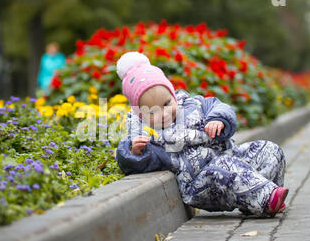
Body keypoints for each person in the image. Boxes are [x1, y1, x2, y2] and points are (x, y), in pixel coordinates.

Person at [115, 51, 288, 217]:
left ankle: (260, 197)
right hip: (202, 182)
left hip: (230, 155)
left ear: (172, 95)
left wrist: (218, 120)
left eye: (166, 104)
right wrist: (134, 152)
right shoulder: (150, 137)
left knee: (269, 150)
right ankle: (266, 198)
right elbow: (136, 162)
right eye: (152, 112)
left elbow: (220, 107)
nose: (164, 114)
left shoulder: (195, 103)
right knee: (225, 165)